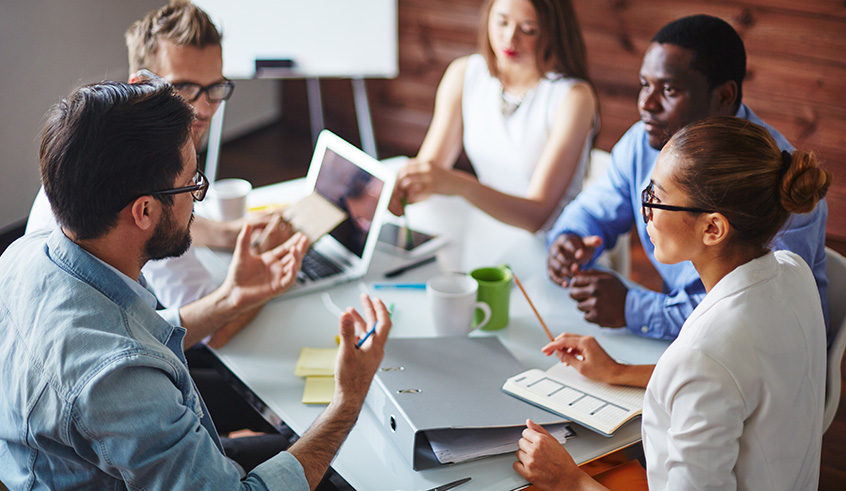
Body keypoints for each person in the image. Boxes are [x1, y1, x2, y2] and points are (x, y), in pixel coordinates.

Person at [0, 80, 391, 489]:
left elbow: (122, 334)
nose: (196, 198)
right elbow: (120, 364)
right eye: (192, 183)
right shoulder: (119, 380)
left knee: (281, 441)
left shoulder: (24, 255)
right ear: (145, 210)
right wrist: (348, 400)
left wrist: (233, 298)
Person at [516, 116, 829, 490]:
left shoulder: (706, 354)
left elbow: (711, 373)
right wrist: (617, 372)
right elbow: (734, 385)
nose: (645, 209)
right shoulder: (793, 272)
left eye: (657, 198)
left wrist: (569, 480)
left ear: (712, 228)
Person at [546, 14, 830, 341]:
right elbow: (594, 209)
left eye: (668, 89)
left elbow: (759, 318)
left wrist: (633, 308)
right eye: (644, 85)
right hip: (692, 346)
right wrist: (569, 239)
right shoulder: (644, 141)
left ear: (724, 96)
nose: (646, 104)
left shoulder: (775, 179)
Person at [25, 0, 292, 325]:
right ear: (142, 84)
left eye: (214, 88)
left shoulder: (98, 141)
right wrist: (269, 266)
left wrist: (226, 235)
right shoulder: (144, 175)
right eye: (184, 87)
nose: (204, 109)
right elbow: (213, 329)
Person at [388, 0, 597, 233]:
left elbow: (536, 217)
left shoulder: (573, 97)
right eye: (502, 22)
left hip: (557, 244)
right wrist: (397, 191)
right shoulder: (465, 73)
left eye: (528, 29)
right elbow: (430, 172)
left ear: (554, 32)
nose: (509, 38)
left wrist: (458, 184)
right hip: (490, 229)